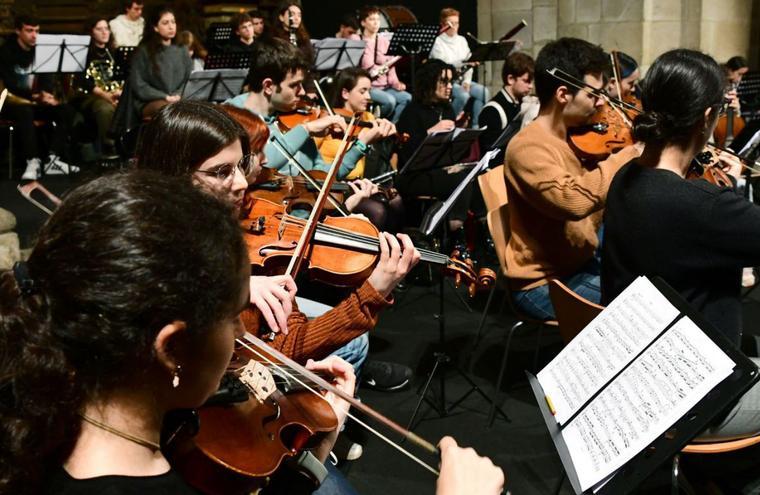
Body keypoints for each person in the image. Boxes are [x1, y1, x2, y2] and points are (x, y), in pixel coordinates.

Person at [0, 172, 505, 495]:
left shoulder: (42, 410)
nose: (246, 333)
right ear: (172, 347)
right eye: (235, 316)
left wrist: (317, 441)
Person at [601, 48, 760, 440]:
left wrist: (725, 191)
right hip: (687, 389)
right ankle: (730, 476)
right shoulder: (696, 204)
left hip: (642, 358)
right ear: (705, 118)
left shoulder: (627, 178)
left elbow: (690, 236)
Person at [135, 101, 413, 389]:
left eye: (242, 165)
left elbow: (285, 345)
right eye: (221, 172)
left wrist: (373, 292)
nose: (242, 183)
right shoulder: (143, 251)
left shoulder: (232, 242)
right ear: (174, 175)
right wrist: (231, 291)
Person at [503, 38, 639, 320]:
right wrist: (630, 153)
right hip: (545, 282)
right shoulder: (527, 147)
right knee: (638, 312)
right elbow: (574, 201)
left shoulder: (577, 135)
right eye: (593, 95)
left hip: (580, 258)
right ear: (563, 94)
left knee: (654, 279)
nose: (601, 103)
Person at [226, 39, 394, 179]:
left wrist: (360, 146)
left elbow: (323, 176)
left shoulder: (291, 120)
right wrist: (306, 129)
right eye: (294, 85)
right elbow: (262, 165)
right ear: (268, 86)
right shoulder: (232, 117)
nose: (303, 92)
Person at [395, 59, 478, 251]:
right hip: (412, 177)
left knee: (474, 171)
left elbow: (452, 154)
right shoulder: (412, 111)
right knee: (462, 179)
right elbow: (405, 154)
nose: (449, 87)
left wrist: (460, 137)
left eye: (451, 82)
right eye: (444, 81)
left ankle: (470, 229)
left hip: (436, 171)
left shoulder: (447, 109)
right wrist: (429, 133)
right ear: (429, 82)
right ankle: (455, 229)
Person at [312, 67, 405, 232]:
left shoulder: (367, 118)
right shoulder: (326, 121)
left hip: (357, 184)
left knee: (396, 201)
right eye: (363, 91)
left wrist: (388, 138)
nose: (368, 97)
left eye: (369, 91)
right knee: (378, 210)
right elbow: (311, 159)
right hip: (333, 186)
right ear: (345, 93)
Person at [0, 13, 78, 180]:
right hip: (12, 104)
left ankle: (52, 160)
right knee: (25, 111)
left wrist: (46, 94)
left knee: (66, 111)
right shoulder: (5, 52)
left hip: (35, 102)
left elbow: (46, 78)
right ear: (17, 31)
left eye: (37, 31)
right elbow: (10, 84)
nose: (34, 35)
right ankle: (32, 161)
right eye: (29, 30)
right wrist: (35, 95)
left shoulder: (42, 50)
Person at [113, 5, 191, 135]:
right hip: (150, 101)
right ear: (155, 27)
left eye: (173, 22)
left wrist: (179, 95)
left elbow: (189, 79)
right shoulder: (144, 52)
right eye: (165, 23)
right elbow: (139, 85)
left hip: (178, 97)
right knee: (170, 110)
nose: (171, 27)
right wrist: (165, 96)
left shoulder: (182, 50)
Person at [73, 16, 123, 158]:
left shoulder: (114, 52)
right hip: (90, 96)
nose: (104, 32)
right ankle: (110, 147)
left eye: (106, 28)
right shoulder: (83, 53)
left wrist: (119, 92)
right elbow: (81, 80)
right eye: (99, 29)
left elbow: (124, 76)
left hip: (113, 94)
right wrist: (104, 95)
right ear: (91, 32)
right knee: (104, 108)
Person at [430, 8, 487, 126]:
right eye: (451, 23)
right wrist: (465, 62)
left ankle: (476, 127)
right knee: (463, 96)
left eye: (457, 23)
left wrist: (467, 81)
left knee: (483, 92)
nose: (455, 26)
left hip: (462, 80)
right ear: (443, 25)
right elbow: (445, 64)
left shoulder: (462, 40)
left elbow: (469, 62)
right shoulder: (437, 42)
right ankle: (450, 123)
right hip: (447, 81)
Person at [355, 6, 411, 123]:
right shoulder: (356, 40)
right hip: (368, 87)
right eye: (372, 19)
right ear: (363, 23)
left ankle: (390, 126)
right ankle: (373, 122)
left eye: (378, 19)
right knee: (390, 101)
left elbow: (391, 66)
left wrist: (396, 83)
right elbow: (360, 66)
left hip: (385, 86)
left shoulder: (384, 41)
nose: (376, 23)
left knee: (407, 98)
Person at [477, 51, 534, 163]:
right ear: (510, 79)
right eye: (526, 81)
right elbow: (491, 156)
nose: (531, 86)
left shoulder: (521, 104)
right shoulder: (491, 111)